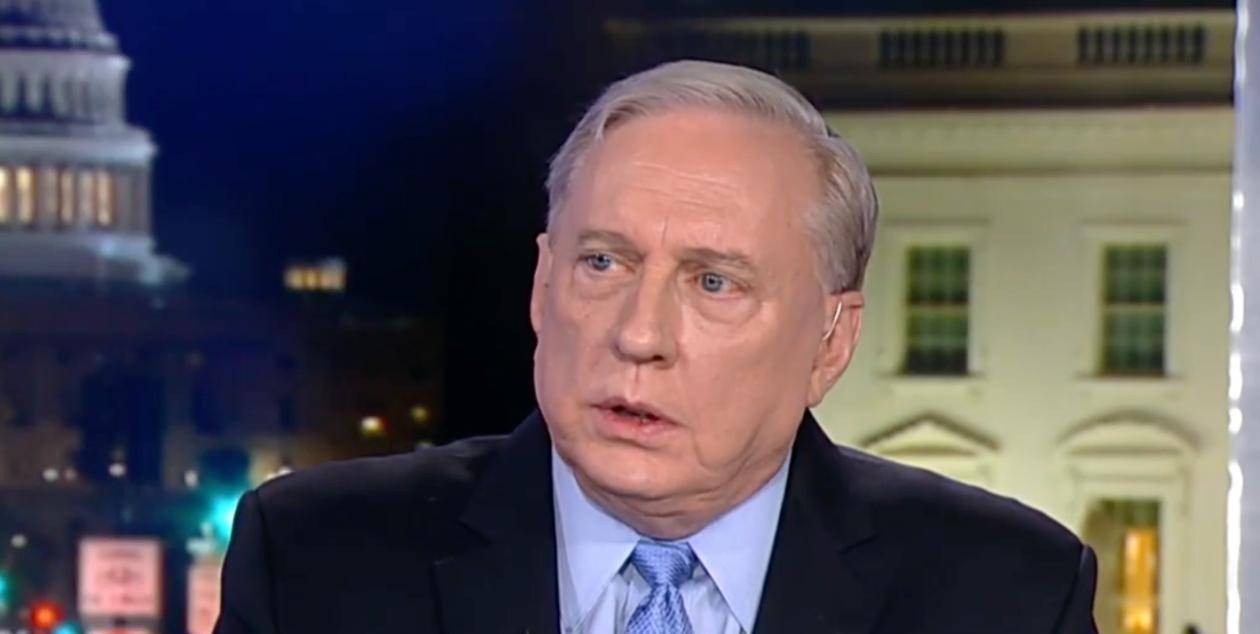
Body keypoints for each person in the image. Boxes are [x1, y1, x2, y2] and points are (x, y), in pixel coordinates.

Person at [213, 60, 1097, 634]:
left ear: (831, 343)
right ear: (542, 286)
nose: (638, 335)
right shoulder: (312, 561)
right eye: (603, 263)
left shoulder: (1010, 595)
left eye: (715, 283)